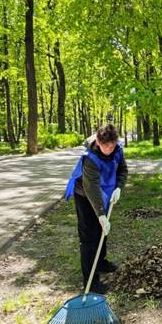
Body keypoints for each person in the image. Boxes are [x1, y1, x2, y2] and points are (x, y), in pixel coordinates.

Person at [64, 124, 128, 294]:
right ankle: (90, 282)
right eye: (106, 146)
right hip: (85, 194)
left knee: (102, 231)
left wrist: (119, 187)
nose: (109, 149)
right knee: (88, 237)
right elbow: (91, 188)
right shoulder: (89, 158)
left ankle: (100, 262)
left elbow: (123, 170)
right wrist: (100, 214)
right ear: (98, 142)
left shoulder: (118, 150)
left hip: (106, 191)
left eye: (112, 145)